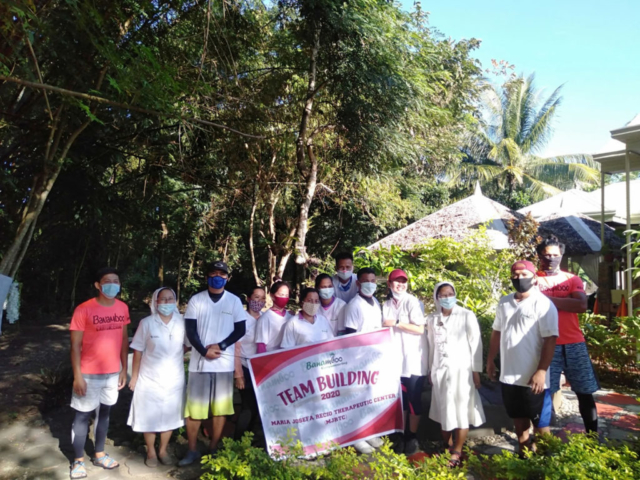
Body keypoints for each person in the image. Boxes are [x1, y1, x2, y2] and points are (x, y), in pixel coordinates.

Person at [486, 260, 558, 456]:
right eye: (515, 275)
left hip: (534, 377)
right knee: (519, 420)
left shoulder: (543, 304)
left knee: (541, 423)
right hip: (509, 375)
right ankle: (524, 456)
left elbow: (550, 340)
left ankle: (548, 462)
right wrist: (490, 359)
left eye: (524, 274)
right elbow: (497, 332)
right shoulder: (504, 302)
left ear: (534, 277)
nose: (519, 278)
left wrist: (541, 371)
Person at [179, 261, 247, 466]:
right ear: (207, 276)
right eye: (213, 273)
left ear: (227, 278)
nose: (217, 277)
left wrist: (221, 345)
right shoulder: (196, 300)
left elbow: (240, 330)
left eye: (222, 274)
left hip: (223, 366)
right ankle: (191, 450)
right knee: (195, 410)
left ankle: (213, 447)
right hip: (200, 365)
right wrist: (204, 351)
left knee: (221, 409)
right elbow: (190, 330)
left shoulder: (234, 301)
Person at [69, 267, 130, 479]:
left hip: (113, 373)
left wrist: (124, 369)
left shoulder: (122, 308)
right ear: (98, 285)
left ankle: (100, 454)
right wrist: (77, 375)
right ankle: (78, 461)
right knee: (82, 415)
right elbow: (75, 346)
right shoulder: (83, 309)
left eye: (116, 280)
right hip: (88, 373)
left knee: (105, 413)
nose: (112, 284)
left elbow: (123, 341)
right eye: (107, 281)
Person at [536, 236, 599, 434]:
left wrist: (544, 299)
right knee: (544, 393)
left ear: (561, 256)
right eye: (547, 255)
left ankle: (592, 437)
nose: (551, 258)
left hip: (573, 342)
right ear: (539, 256)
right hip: (545, 344)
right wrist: (565, 301)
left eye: (555, 255)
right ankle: (546, 440)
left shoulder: (572, 279)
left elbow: (581, 305)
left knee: (584, 392)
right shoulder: (532, 279)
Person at [426, 282, 485, 467]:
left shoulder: (466, 315)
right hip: (440, 371)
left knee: (461, 410)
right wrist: (430, 369)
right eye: (443, 295)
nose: (447, 297)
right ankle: (447, 444)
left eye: (450, 293)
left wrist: (476, 372)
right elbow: (431, 347)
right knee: (443, 409)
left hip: (462, 371)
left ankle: (457, 449)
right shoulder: (432, 319)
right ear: (437, 297)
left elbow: (476, 345)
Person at [128, 287, 185, 467]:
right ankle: (151, 451)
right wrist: (134, 377)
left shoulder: (183, 321)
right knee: (149, 415)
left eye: (170, 299)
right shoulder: (146, 323)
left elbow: (188, 346)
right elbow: (137, 351)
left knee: (170, 415)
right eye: (163, 299)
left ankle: (163, 450)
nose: (166, 303)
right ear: (155, 301)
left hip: (174, 377)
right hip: (149, 378)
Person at [381, 269, 427, 456]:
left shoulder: (413, 302)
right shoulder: (385, 304)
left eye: (403, 282)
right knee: (401, 400)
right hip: (395, 360)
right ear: (389, 284)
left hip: (414, 359)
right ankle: (400, 433)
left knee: (414, 400)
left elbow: (420, 329)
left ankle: (412, 436)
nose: (400, 285)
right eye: (396, 281)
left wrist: (397, 322)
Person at [343, 267, 384, 454]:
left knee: (370, 397)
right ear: (358, 283)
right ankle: (357, 437)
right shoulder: (353, 305)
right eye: (366, 281)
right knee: (357, 398)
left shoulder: (375, 302)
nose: (370, 284)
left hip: (374, 358)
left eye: (373, 281)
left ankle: (368, 432)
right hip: (358, 360)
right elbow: (349, 338)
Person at [234, 285, 266, 442]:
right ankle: (237, 441)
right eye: (256, 297)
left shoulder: (265, 318)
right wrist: (238, 373)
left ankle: (250, 441)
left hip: (262, 369)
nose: (259, 301)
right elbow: (236, 347)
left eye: (262, 298)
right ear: (248, 299)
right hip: (246, 368)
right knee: (248, 407)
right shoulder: (242, 319)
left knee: (260, 407)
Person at [255, 281, 293, 353]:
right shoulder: (265, 319)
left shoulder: (290, 317)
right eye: (281, 294)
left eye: (286, 295)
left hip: (287, 359)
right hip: (271, 359)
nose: (284, 297)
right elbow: (261, 346)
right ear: (272, 296)